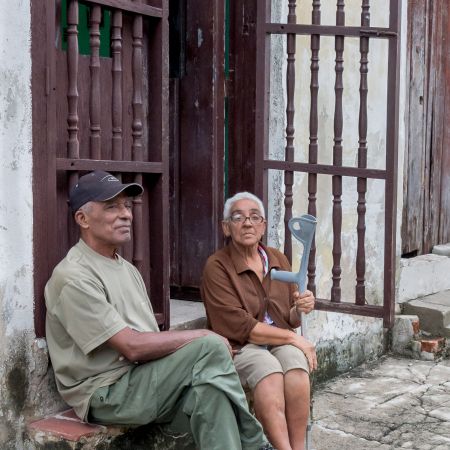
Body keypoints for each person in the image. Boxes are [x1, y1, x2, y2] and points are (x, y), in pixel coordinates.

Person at [45, 171, 269, 450]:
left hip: (143, 379)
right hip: (107, 393)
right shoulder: (73, 276)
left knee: (212, 393)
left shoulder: (125, 268)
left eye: (127, 205)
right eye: (111, 206)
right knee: (209, 344)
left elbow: (148, 341)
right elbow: (132, 347)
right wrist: (199, 336)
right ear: (83, 219)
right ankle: (256, 443)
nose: (126, 214)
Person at [201, 192, 317, 450]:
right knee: (268, 370)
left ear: (263, 226)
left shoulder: (277, 258)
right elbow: (241, 326)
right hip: (241, 344)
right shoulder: (217, 266)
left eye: (255, 217)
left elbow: (289, 316)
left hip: (278, 337)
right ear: (226, 227)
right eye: (238, 217)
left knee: (296, 365)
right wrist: (293, 338)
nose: (247, 223)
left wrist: (300, 308)